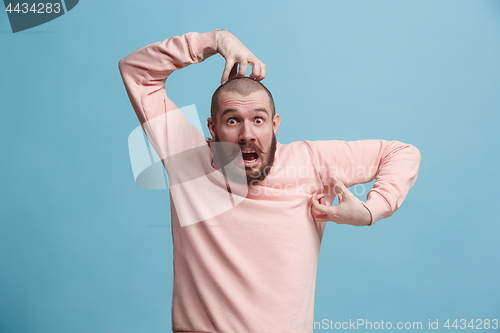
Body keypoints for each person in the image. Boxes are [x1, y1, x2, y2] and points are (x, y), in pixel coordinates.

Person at [119, 29, 421, 333]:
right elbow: (137, 71)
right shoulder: (188, 159)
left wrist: (372, 210)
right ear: (213, 128)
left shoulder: (311, 162)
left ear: (275, 125)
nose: (247, 133)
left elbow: (401, 153)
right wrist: (215, 40)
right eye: (233, 120)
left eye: (259, 119)